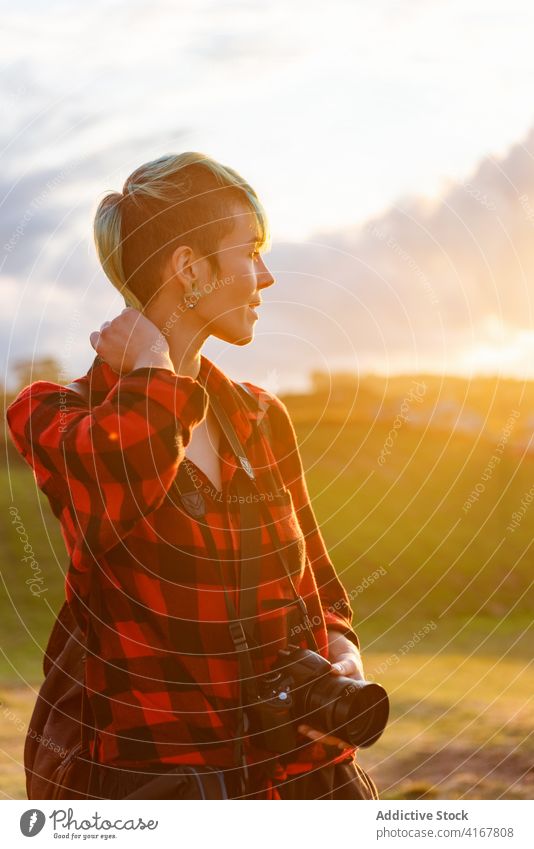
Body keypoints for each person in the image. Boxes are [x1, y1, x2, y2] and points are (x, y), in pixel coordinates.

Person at [6, 152, 379, 800]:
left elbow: (318, 582)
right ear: (190, 269)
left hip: (297, 776)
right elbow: (129, 474)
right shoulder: (51, 415)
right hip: (158, 788)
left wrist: (341, 651)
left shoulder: (261, 416)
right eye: (250, 251)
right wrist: (153, 369)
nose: (266, 276)